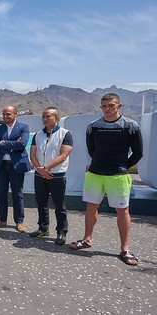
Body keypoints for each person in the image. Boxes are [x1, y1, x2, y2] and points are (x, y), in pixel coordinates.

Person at [70, 93, 143, 266]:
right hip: (95, 173)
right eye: (104, 106)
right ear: (100, 107)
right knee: (91, 207)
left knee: (122, 211)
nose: (107, 109)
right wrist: (101, 163)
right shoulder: (93, 126)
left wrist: (123, 166)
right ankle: (87, 239)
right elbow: (91, 150)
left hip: (118, 176)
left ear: (119, 106)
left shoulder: (130, 125)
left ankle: (125, 249)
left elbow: (138, 152)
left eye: (111, 105)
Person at [29, 107, 73, 245]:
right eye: (43, 116)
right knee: (41, 203)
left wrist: (46, 168)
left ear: (57, 118)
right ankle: (43, 228)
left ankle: (61, 231)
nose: (45, 119)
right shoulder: (38, 134)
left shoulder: (65, 134)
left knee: (59, 205)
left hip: (57, 175)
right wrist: (39, 169)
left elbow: (64, 155)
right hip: (39, 174)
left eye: (48, 116)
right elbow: (33, 153)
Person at [0, 105, 31, 233]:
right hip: (1, 166)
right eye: (4, 114)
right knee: (1, 194)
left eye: (8, 114)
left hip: (16, 166)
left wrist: (4, 143)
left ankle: (19, 222)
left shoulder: (23, 127)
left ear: (15, 114)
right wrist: (12, 145)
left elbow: (22, 144)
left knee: (17, 194)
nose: (6, 116)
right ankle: (1, 219)